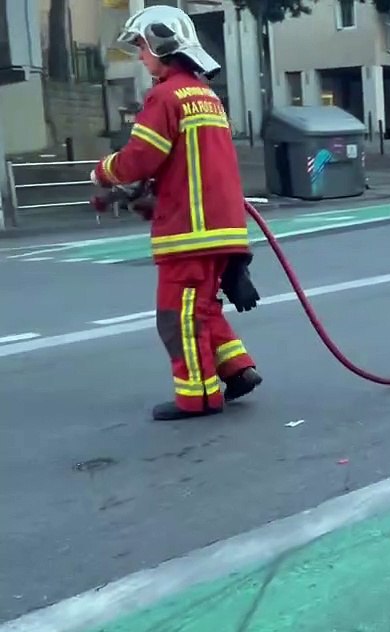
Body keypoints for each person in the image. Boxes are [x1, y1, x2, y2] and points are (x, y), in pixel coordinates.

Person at [90, 5, 263, 421]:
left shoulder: (164, 96)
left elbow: (141, 158)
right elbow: (188, 166)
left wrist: (103, 172)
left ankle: (198, 398)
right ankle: (237, 369)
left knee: (176, 318)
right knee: (201, 309)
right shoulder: (206, 96)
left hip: (189, 233)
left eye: (142, 46)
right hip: (219, 228)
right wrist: (154, 197)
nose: (140, 55)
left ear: (162, 44)